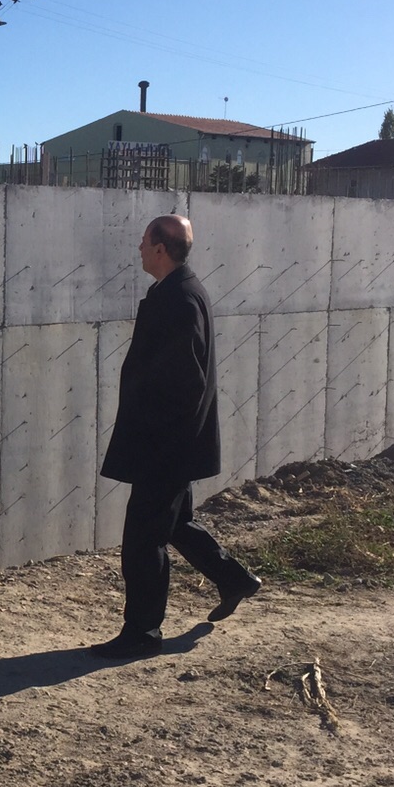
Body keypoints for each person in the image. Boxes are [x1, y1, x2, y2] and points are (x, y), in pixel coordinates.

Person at [93, 215, 261, 659]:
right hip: (171, 443)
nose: (139, 248)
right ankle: (233, 579)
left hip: (164, 446)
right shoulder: (179, 290)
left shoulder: (180, 299)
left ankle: (142, 633)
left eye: (144, 241)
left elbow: (186, 382)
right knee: (175, 524)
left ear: (160, 248)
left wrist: (158, 442)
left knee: (142, 539)